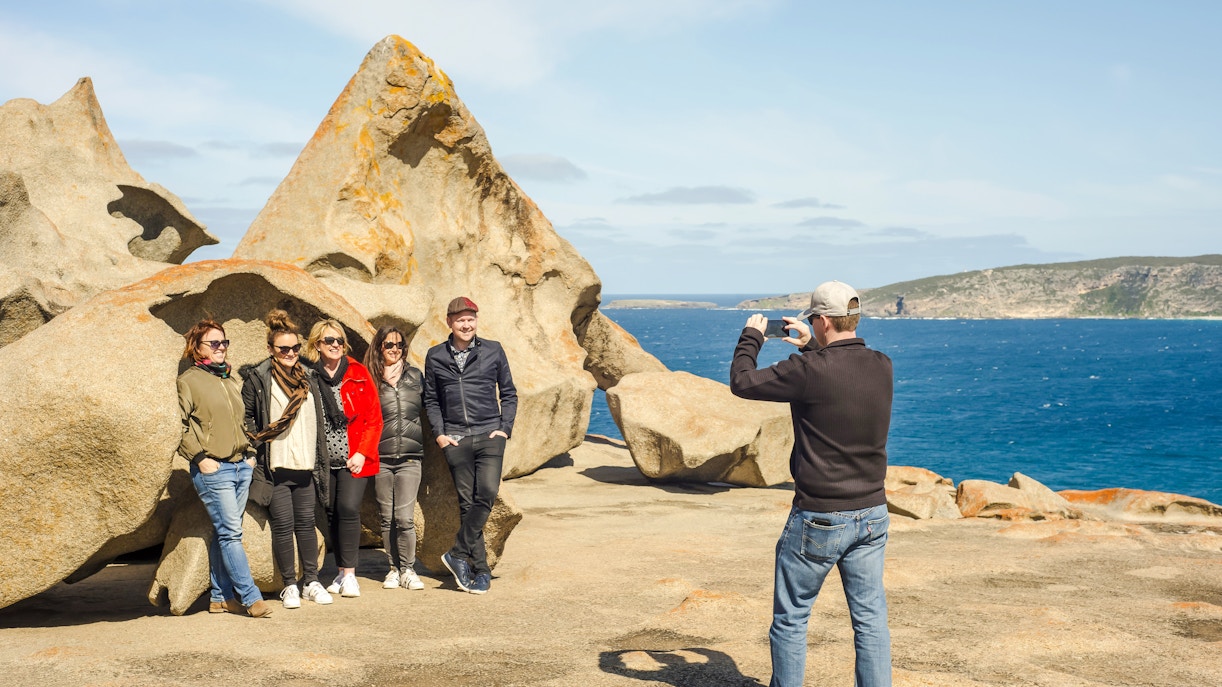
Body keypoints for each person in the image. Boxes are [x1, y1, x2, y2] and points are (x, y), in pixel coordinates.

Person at [729, 281, 894, 687]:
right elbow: (837, 376)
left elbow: (742, 382)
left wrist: (751, 337)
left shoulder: (808, 370)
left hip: (820, 517)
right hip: (873, 513)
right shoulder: (882, 364)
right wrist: (809, 346)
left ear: (820, 320)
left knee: (791, 620)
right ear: (853, 318)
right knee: (870, 621)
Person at [176, 319, 272, 618]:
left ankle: (220, 597)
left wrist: (251, 454)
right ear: (197, 348)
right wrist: (200, 458)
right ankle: (250, 597)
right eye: (214, 343)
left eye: (224, 342)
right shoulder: (188, 381)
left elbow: (243, 422)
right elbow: (176, 426)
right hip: (213, 470)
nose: (221, 348)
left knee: (223, 534)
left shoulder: (230, 379)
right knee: (231, 534)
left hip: (240, 466)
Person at [423, 296, 517, 595]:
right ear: (449, 322)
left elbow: (509, 393)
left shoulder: (493, 350)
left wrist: (504, 429)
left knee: (487, 493)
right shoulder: (436, 355)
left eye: (471, 319)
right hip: (456, 438)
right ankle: (481, 569)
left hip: (489, 433)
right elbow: (431, 399)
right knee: (467, 505)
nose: (466, 324)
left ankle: (458, 554)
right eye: (460, 319)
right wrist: (439, 433)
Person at [242, 309, 334, 609]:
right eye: (284, 349)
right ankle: (289, 586)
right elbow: (247, 419)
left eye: (295, 348)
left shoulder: (308, 378)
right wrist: (253, 453)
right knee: (283, 525)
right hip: (275, 466)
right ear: (271, 349)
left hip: (305, 464)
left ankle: (311, 581)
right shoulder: (258, 378)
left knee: (306, 524)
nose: (291, 353)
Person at [301, 319, 382, 598]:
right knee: (332, 512)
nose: (335, 345)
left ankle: (350, 575)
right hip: (324, 460)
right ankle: (339, 572)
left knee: (348, 508)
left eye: (338, 340)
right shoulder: (309, 376)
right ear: (317, 345)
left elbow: (374, 419)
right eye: (328, 341)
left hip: (354, 458)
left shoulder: (358, 373)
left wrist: (362, 452)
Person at [364, 325, 427, 591]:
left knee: (405, 518)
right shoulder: (371, 379)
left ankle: (408, 569)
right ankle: (393, 569)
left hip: (410, 458)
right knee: (386, 518)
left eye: (399, 345)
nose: (394, 349)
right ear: (380, 347)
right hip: (381, 457)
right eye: (389, 345)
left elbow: (433, 408)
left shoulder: (415, 376)